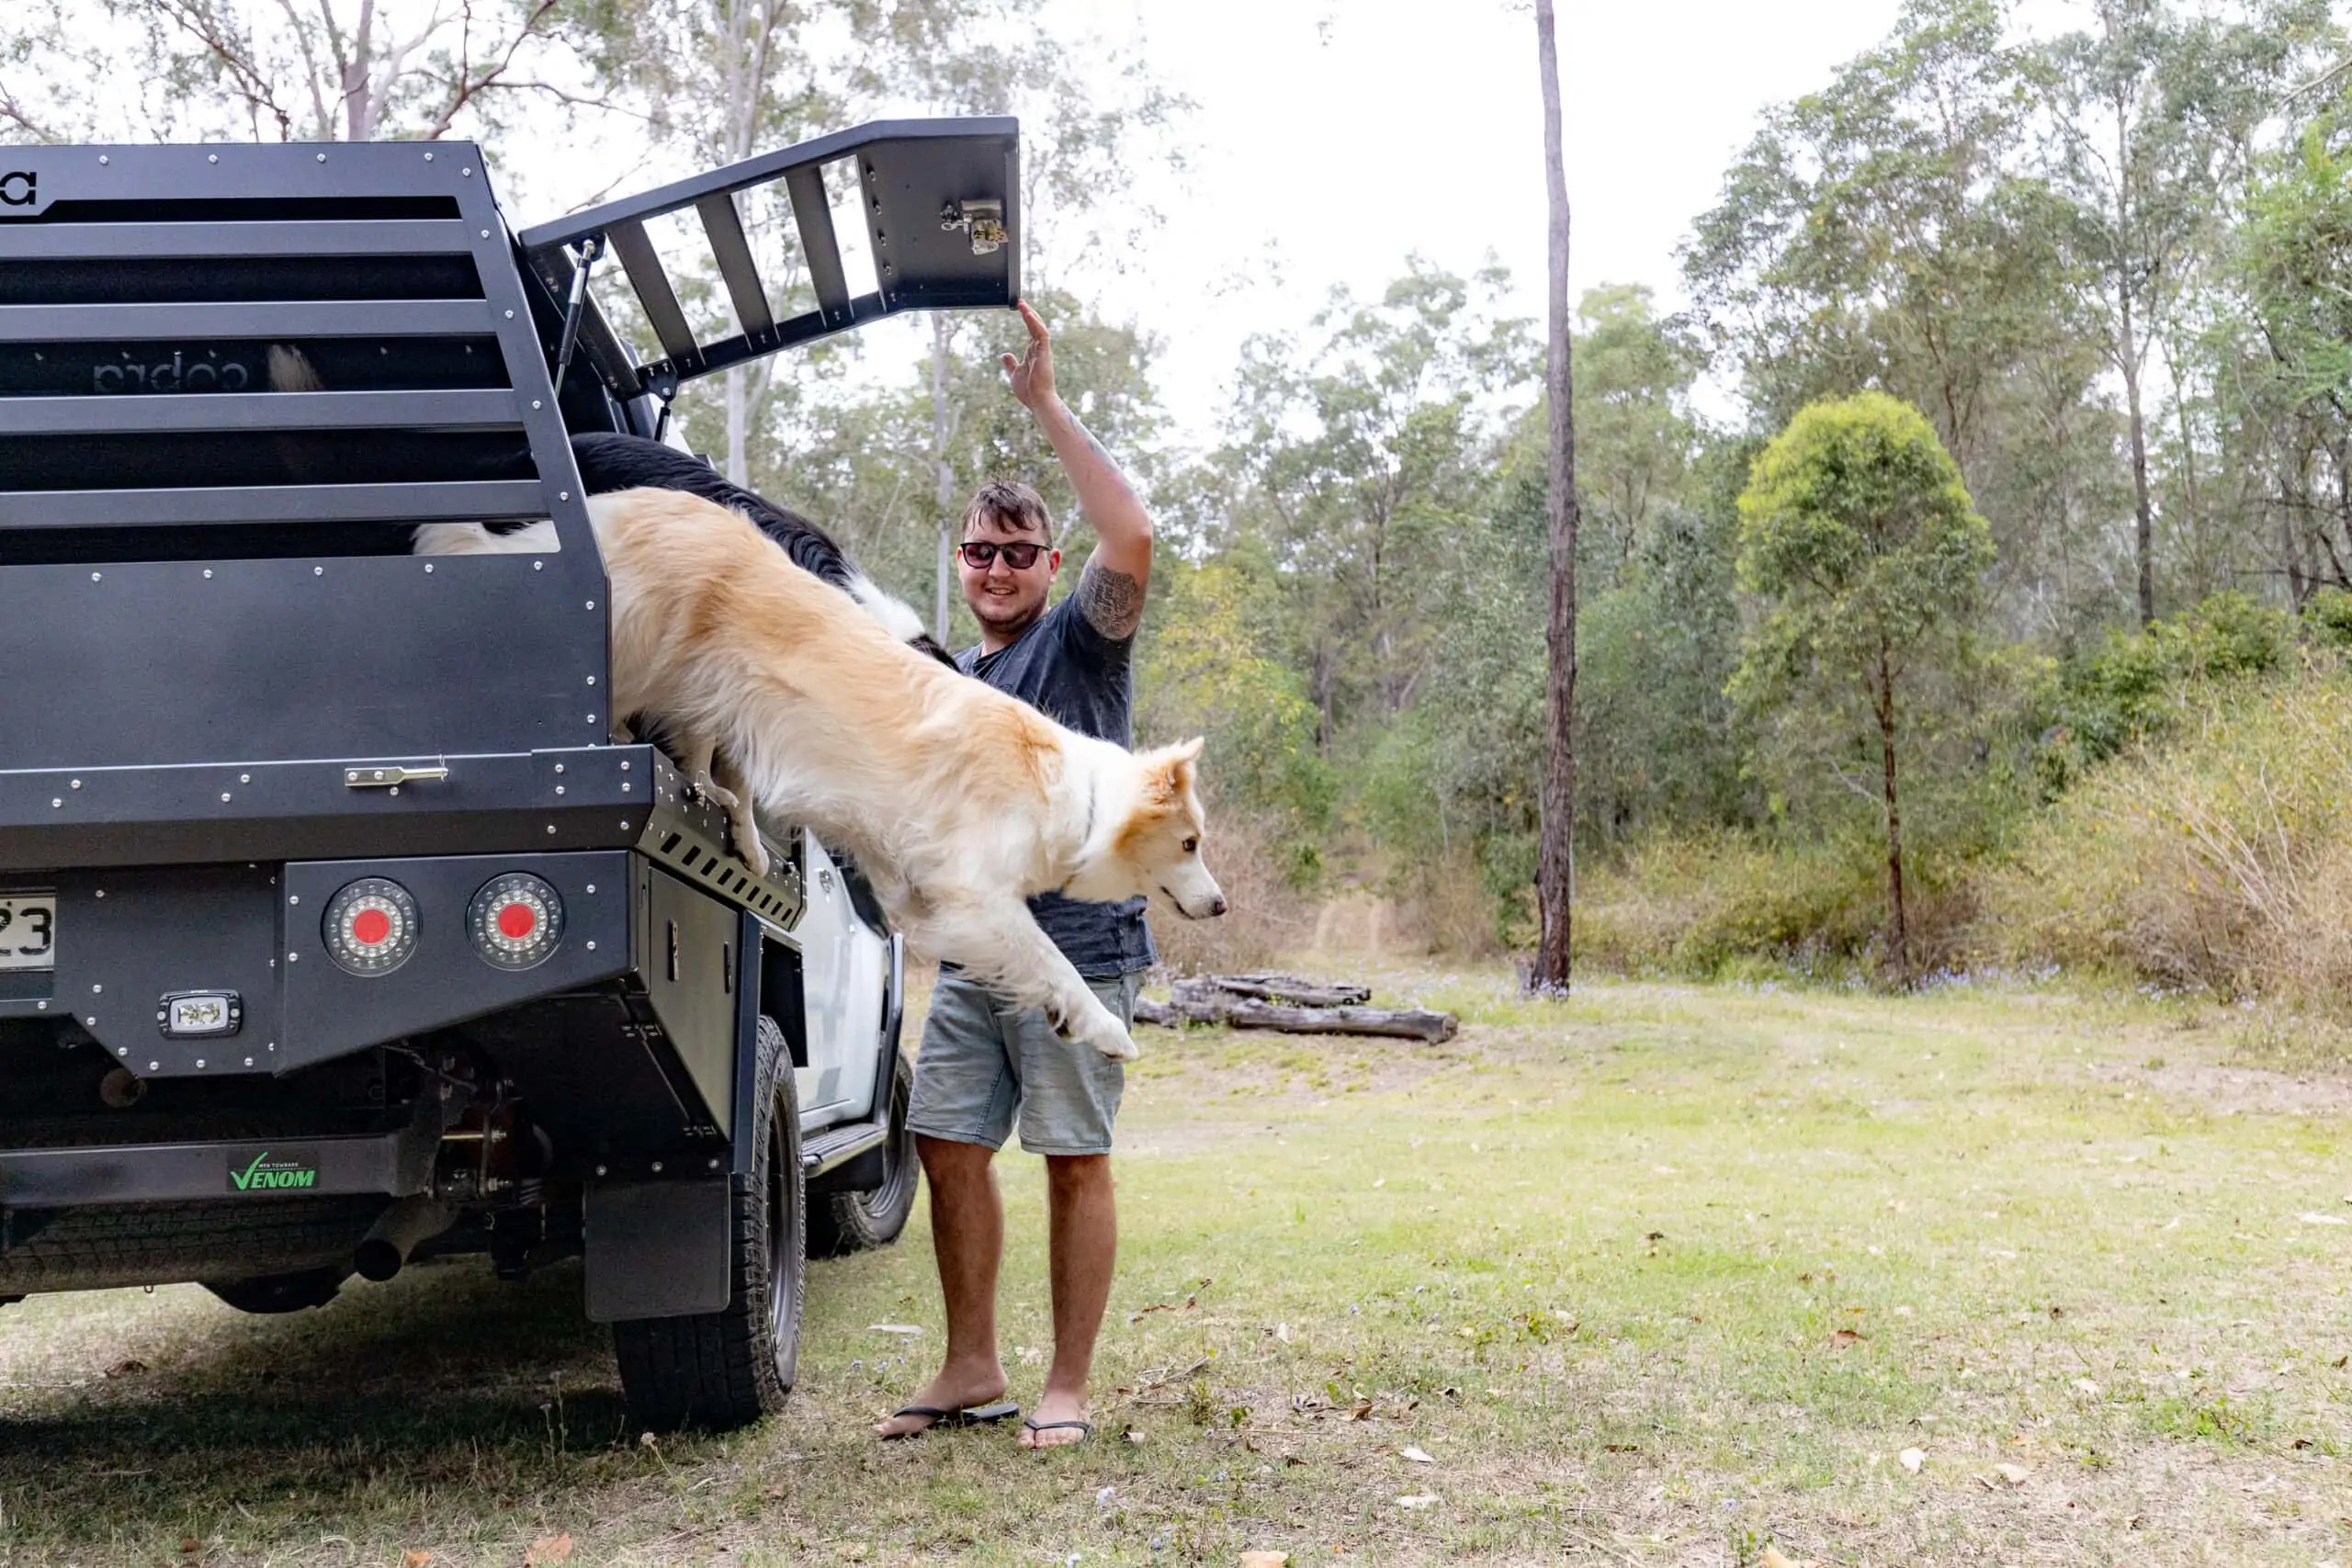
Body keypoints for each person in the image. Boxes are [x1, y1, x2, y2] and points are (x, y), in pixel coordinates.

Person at [876, 300, 1155, 1450]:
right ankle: (970, 1367)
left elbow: (1130, 534)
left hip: (1077, 953)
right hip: (976, 950)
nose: (996, 568)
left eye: (1017, 552)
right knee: (946, 1144)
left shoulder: (1079, 640)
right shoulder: (951, 673)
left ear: (1049, 564)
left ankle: (1068, 1388)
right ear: (960, 562)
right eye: (978, 552)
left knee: (1072, 1159)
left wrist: (1043, 402)